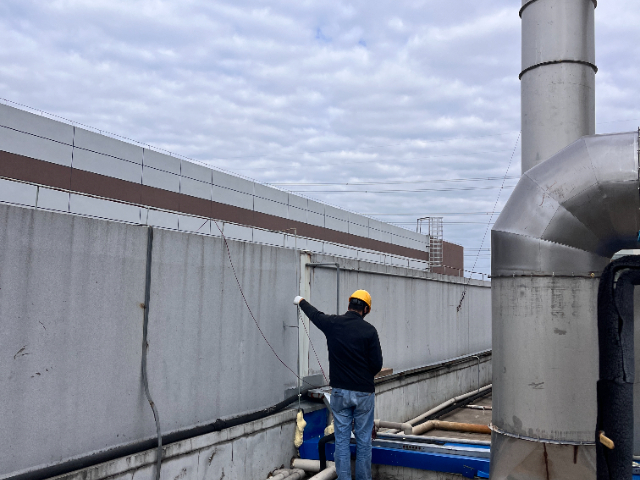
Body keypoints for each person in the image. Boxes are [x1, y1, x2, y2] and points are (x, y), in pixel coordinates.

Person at [293, 290, 383, 480]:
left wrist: (301, 301)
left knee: (341, 441)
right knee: (364, 442)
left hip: (340, 393)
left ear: (349, 304)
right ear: (366, 309)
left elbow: (315, 315)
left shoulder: (333, 324)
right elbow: (376, 365)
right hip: (364, 393)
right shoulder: (369, 331)